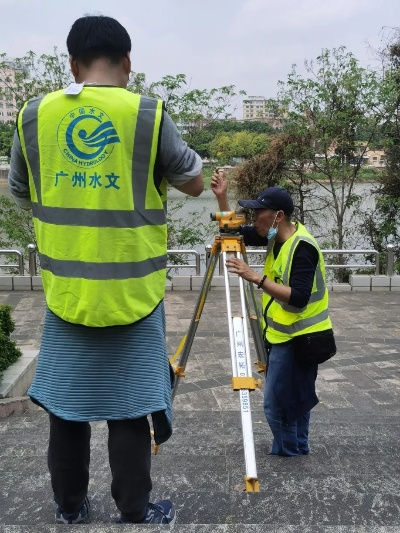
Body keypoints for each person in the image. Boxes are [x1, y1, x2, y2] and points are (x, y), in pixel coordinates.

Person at [8, 15, 204, 525]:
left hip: (66, 296)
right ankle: (135, 511)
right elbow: (195, 183)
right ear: (128, 63)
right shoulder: (148, 115)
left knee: (67, 412)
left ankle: (70, 509)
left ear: (72, 64)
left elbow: (20, 190)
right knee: (130, 410)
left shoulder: (33, 115)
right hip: (134, 296)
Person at [211, 170, 332, 457]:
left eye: (258, 213)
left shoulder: (302, 248)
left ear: (277, 216)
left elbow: (300, 298)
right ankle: (298, 446)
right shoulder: (273, 237)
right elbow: (232, 230)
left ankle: (288, 451)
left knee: (276, 403)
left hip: (301, 337)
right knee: (297, 398)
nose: (253, 220)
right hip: (284, 334)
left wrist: (254, 277)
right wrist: (222, 197)